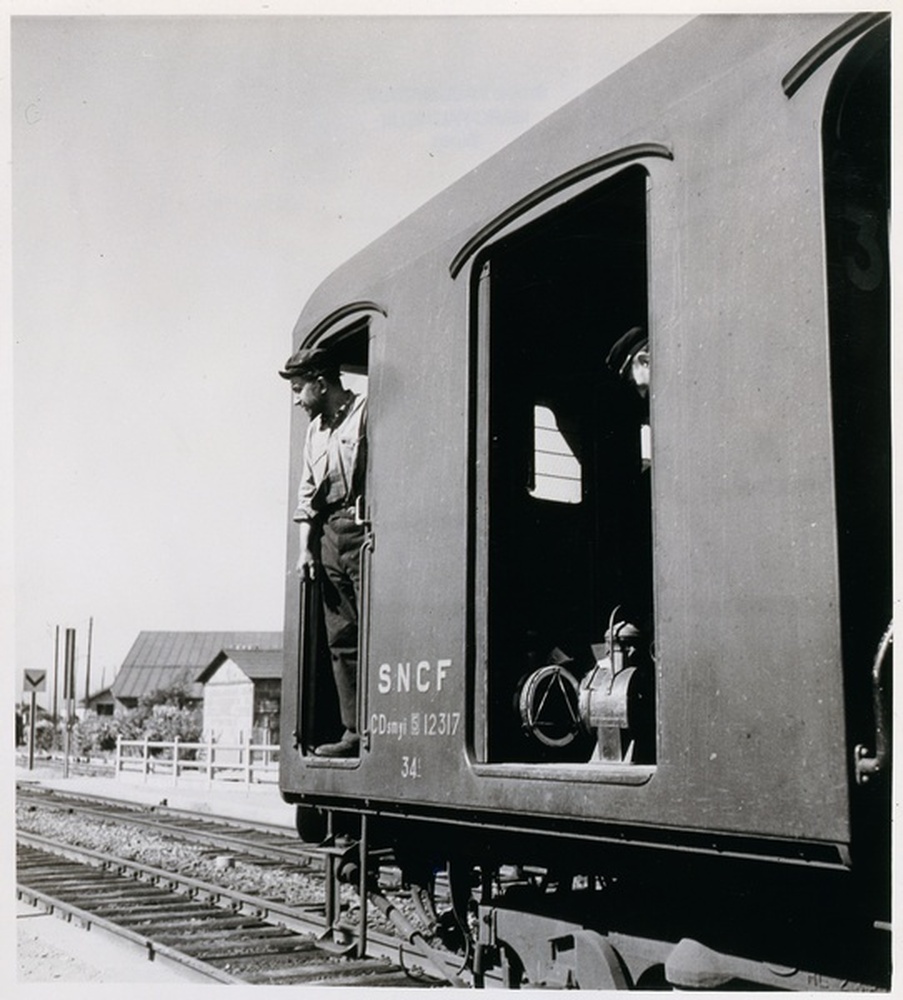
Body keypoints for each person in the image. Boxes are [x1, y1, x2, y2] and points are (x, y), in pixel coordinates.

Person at [280, 345, 367, 758]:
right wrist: (306, 551)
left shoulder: (366, 411)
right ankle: (354, 732)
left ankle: (382, 728)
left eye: (299, 389)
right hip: (329, 536)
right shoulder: (314, 432)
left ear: (321, 382)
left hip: (364, 527)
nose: (297, 399)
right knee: (342, 637)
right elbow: (306, 493)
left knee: (374, 632)